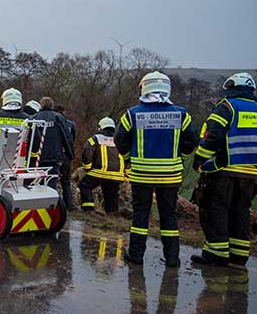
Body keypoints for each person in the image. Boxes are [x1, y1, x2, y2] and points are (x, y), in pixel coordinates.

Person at [114, 71, 196, 268]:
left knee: (140, 214)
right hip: (171, 175)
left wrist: (128, 160)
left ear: (144, 88)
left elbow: (119, 139)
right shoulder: (181, 114)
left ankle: (135, 255)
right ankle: (172, 258)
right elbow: (192, 140)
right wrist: (181, 158)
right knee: (169, 216)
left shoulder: (132, 113)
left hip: (141, 174)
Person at [190, 72, 257, 267]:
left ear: (231, 88)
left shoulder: (227, 107)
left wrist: (199, 159)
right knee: (240, 212)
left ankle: (216, 254)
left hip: (225, 170)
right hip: (252, 175)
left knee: (215, 209)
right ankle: (239, 256)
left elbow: (214, 136)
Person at [78, 117, 125, 213]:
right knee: (111, 194)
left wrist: (88, 168)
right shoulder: (120, 139)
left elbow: (86, 154)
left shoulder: (95, 139)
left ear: (101, 127)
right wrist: (126, 173)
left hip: (99, 172)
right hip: (117, 175)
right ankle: (112, 214)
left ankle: (88, 209)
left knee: (84, 185)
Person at [31, 97, 74, 201]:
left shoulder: (33, 118)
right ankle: (51, 208)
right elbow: (67, 137)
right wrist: (70, 154)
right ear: (52, 106)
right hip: (53, 157)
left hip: (37, 158)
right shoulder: (58, 118)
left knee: (36, 184)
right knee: (51, 185)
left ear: (40, 105)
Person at [55, 103, 77, 210]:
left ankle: (54, 206)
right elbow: (72, 139)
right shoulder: (71, 124)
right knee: (66, 182)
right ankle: (68, 206)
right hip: (66, 156)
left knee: (53, 180)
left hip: (56, 155)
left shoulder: (53, 122)